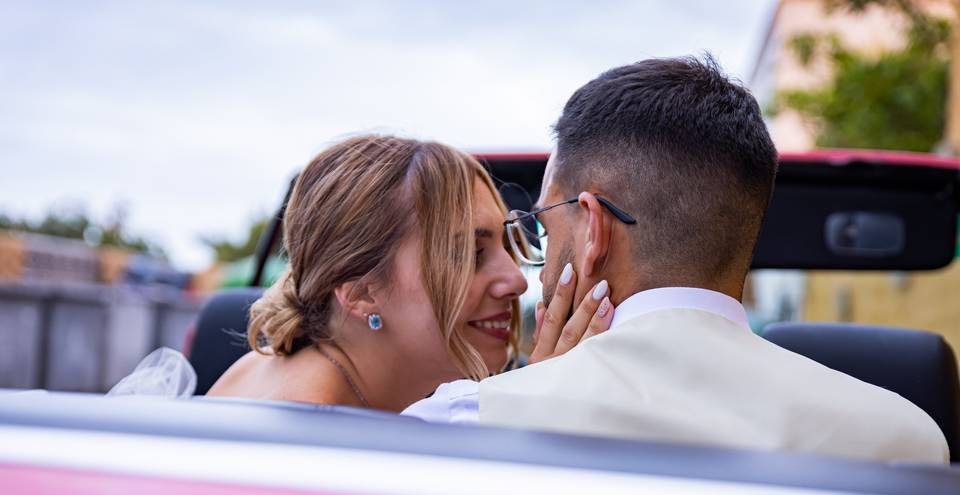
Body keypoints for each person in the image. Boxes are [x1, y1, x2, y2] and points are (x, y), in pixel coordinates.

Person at [404, 56, 950, 464]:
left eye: (546, 226)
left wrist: (533, 396)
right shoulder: (910, 439)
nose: (538, 275)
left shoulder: (463, 427)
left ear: (593, 227)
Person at [208, 134, 613, 411]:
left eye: (508, 246)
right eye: (469, 254)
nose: (516, 280)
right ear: (361, 292)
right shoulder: (321, 437)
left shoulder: (292, 374)